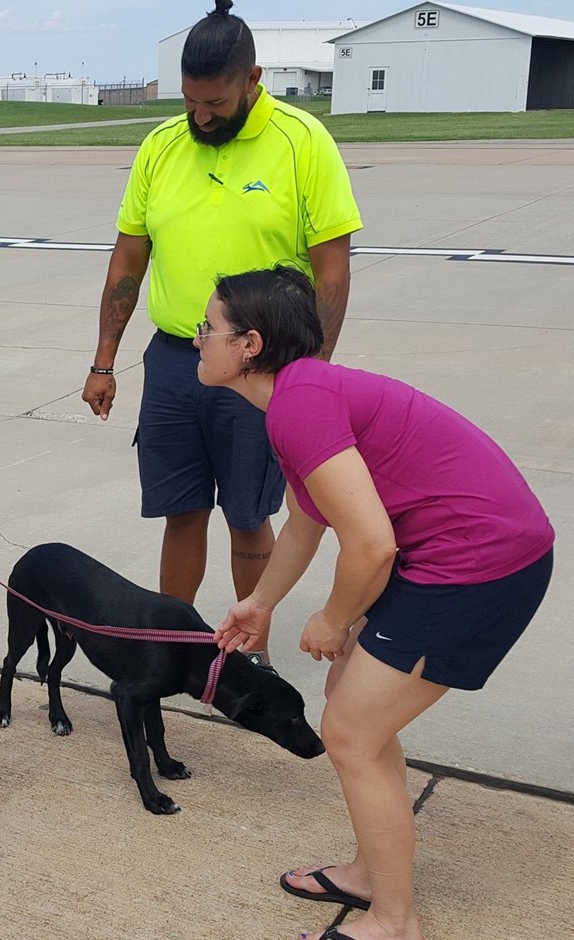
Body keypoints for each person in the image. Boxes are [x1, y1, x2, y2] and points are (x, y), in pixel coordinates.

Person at [204, 265, 555, 940]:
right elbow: (307, 523)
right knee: (351, 712)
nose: (196, 339)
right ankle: (371, 874)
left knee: (352, 732)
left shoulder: (299, 407)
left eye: (207, 329)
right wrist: (261, 602)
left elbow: (370, 543)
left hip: (479, 565)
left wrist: (336, 618)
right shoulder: (296, 398)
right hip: (449, 555)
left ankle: (396, 925)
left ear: (249, 344)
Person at [85, 0, 362, 669]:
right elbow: (129, 258)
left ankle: (249, 657)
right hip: (177, 361)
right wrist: (103, 361)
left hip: (263, 373)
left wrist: (312, 377)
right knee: (181, 512)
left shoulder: (302, 142)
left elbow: (332, 271)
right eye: (190, 101)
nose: (200, 116)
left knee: (247, 513)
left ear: (252, 80)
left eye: (214, 102)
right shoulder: (161, 145)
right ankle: (170, 649)